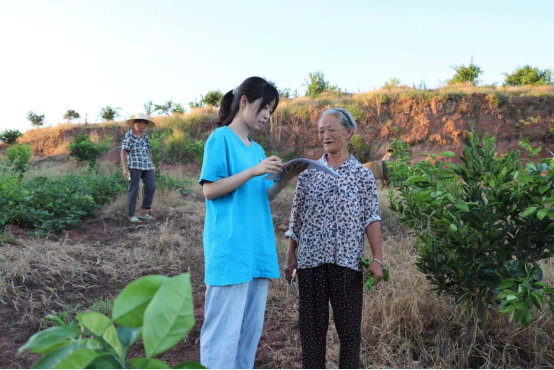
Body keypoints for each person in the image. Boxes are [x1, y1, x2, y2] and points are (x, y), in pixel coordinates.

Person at [199, 77, 307, 369]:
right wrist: (254, 170)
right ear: (244, 101)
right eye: (264, 107)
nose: (266, 116)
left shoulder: (257, 150)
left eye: (271, 111)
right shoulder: (220, 138)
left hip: (257, 248)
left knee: (248, 334)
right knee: (223, 333)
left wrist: (285, 178)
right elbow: (210, 189)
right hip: (231, 248)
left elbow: (262, 195)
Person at [284, 108, 384, 369]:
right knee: (312, 335)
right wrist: (290, 254)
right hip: (310, 263)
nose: (325, 135)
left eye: (331, 129)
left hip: (347, 264)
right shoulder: (308, 173)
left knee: (350, 335)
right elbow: (297, 216)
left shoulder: (362, 175)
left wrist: (377, 259)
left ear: (348, 132)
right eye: (320, 131)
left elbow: (371, 217)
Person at [121, 113, 156, 223]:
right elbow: (123, 151)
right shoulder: (129, 136)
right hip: (135, 165)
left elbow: (148, 151)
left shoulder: (145, 136)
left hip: (147, 165)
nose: (141, 125)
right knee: (134, 189)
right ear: (134, 124)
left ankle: (143, 211)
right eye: (139, 123)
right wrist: (125, 168)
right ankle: (130, 214)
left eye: (144, 123)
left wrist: (152, 164)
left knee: (151, 187)